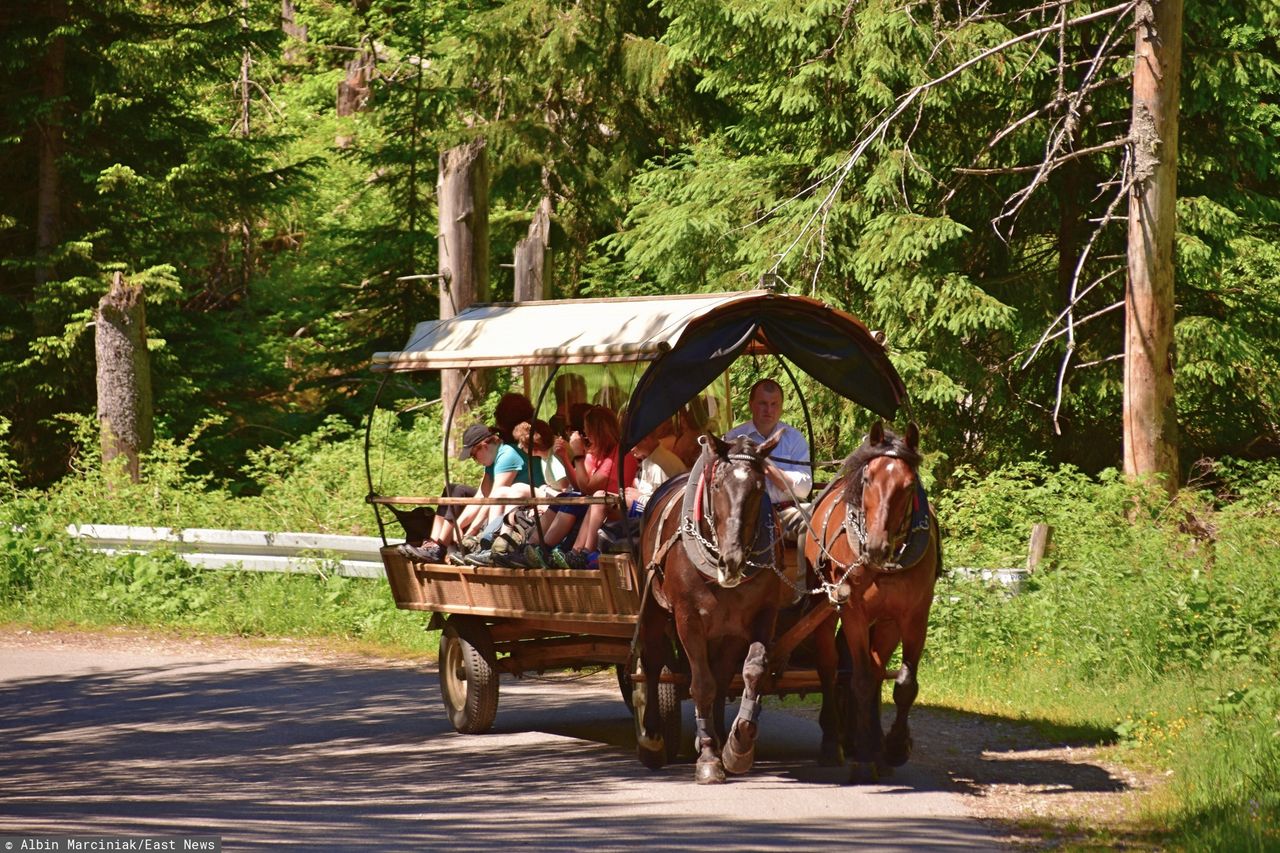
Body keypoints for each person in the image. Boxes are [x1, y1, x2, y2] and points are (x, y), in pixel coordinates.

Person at [402, 423, 531, 562]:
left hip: (520, 509)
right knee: (452, 490)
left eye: (474, 456)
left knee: (459, 491)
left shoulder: (507, 455)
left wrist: (470, 531)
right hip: (502, 507)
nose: (475, 460)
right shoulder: (492, 461)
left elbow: (493, 499)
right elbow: (481, 496)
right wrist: (458, 525)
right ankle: (434, 544)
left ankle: (440, 547)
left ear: (484, 446)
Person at [724, 378, 812, 539]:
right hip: (745, 515)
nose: (768, 410)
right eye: (763, 403)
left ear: (781, 407)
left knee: (813, 522)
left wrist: (764, 464)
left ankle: (806, 565)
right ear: (751, 404)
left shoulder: (794, 439)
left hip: (785, 513)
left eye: (774, 404)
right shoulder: (734, 437)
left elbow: (804, 488)